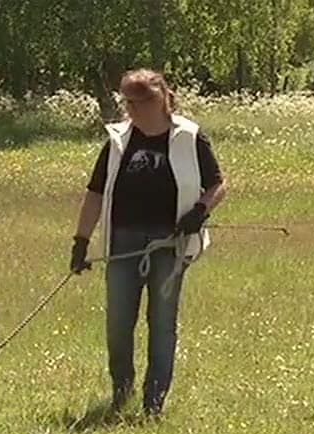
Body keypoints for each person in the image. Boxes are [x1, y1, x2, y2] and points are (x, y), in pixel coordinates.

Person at [69, 68, 227, 416]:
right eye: (127, 102)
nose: (132, 110)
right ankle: (120, 391)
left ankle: (153, 401)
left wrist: (199, 211)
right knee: (118, 322)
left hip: (170, 244)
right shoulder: (117, 141)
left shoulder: (189, 137)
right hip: (123, 243)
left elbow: (217, 184)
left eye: (139, 103)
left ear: (160, 100)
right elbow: (95, 193)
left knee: (162, 321)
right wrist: (81, 241)